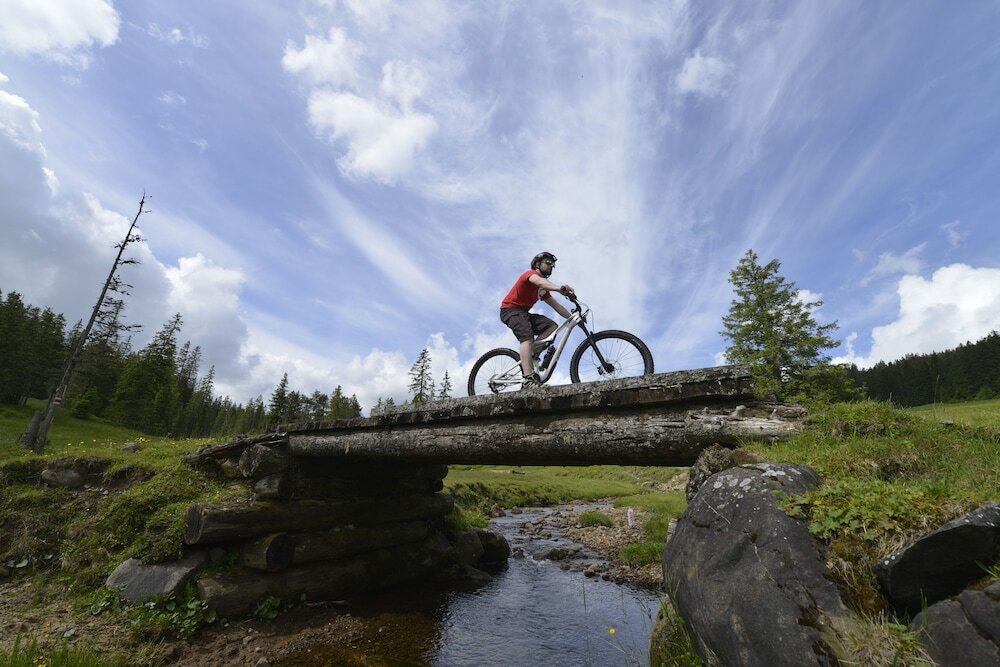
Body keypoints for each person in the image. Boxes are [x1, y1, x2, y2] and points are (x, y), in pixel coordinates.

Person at [499, 251, 575, 389]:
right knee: (526, 335)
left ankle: (532, 353)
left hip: (523, 313)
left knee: (551, 326)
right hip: (510, 310)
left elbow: (557, 306)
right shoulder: (530, 275)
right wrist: (560, 288)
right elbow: (540, 282)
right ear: (538, 264)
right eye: (548, 262)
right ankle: (528, 379)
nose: (551, 266)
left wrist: (573, 317)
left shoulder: (542, 290)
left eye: (553, 265)